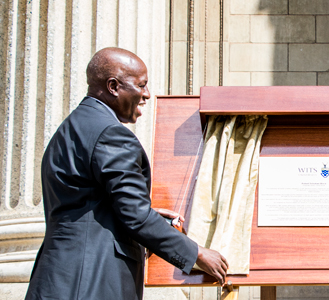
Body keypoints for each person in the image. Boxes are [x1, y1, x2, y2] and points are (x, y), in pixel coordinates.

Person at [25, 47, 228, 300]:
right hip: (91, 283)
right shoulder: (111, 134)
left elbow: (87, 203)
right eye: (141, 85)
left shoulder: (69, 129)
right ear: (113, 86)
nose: (146, 94)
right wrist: (196, 253)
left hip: (57, 279)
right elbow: (135, 215)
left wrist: (149, 213)